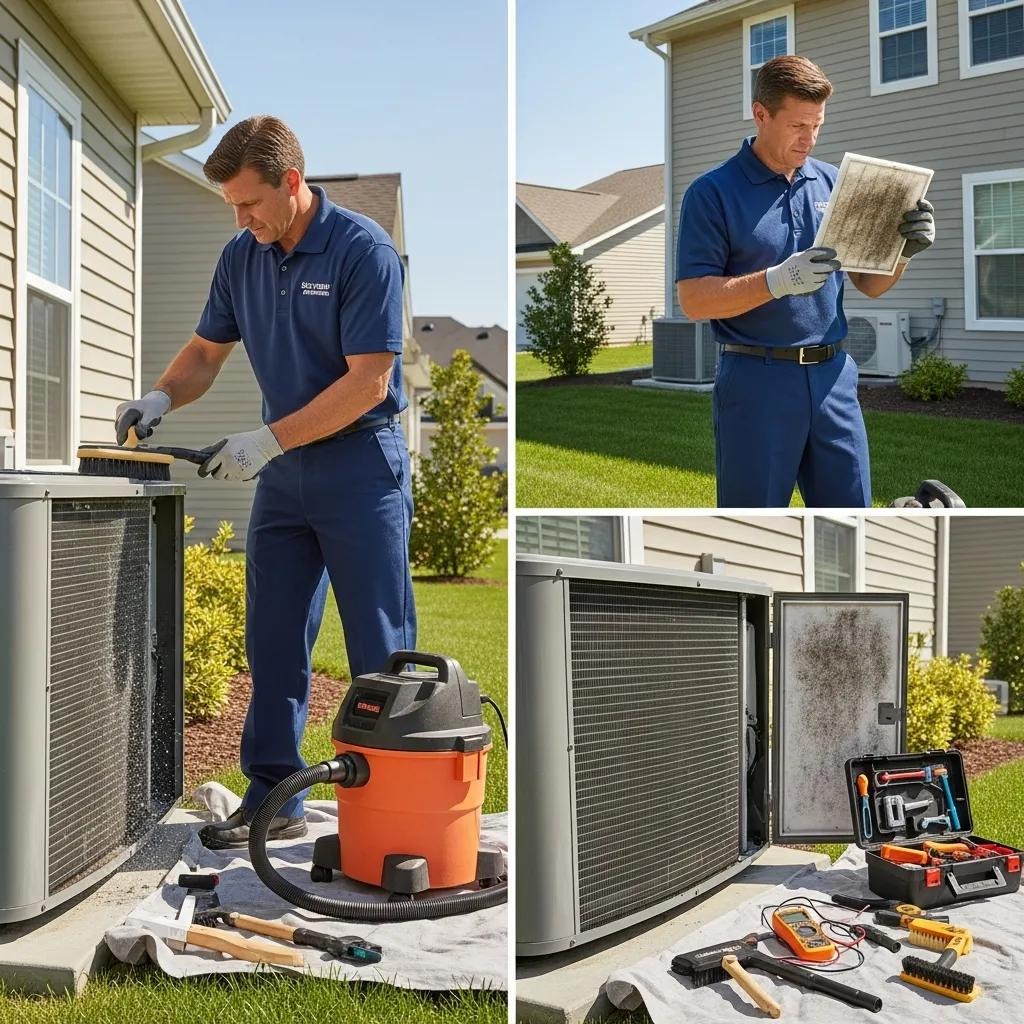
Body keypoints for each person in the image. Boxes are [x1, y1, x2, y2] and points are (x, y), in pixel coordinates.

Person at [115, 115, 416, 848]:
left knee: (379, 644)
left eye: (249, 203)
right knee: (274, 636)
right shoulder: (241, 255)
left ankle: (394, 802)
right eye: (231, 207)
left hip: (359, 466)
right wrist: (158, 397)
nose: (241, 219)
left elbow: (370, 383)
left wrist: (266, 440)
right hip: (283, 473)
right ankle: (276, 795)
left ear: (291, 182)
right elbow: (204, 353)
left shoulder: (361, 251)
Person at [676, 55, 934, 508]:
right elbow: (695, 300)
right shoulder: (712, 192)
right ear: (761, 114)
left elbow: (869, 285)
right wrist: (777, 280)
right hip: (757, 380)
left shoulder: (833, 182)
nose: (810, 138)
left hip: (834, 376)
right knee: (755, 520)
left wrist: (902, 251)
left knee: (853, 516)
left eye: (817, 125)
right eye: (798, 125)